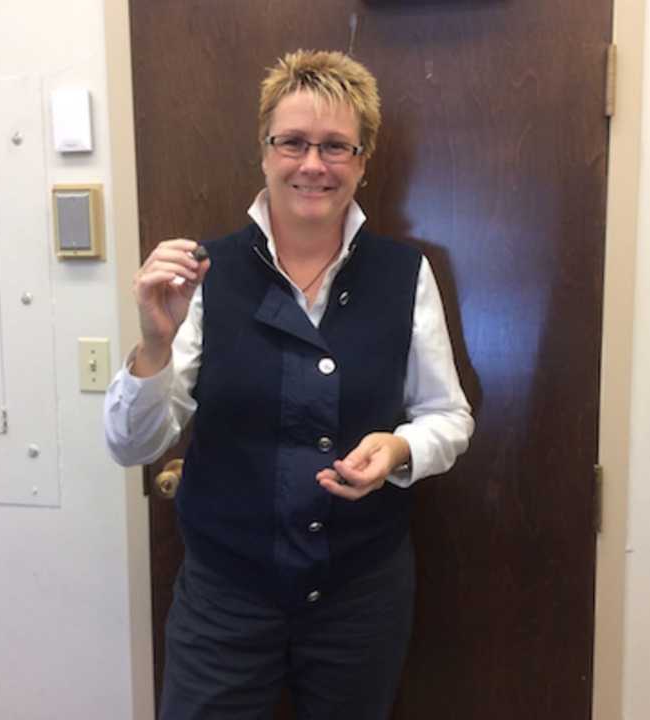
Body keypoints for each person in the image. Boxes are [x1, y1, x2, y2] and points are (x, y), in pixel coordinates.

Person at [104, 49, 474, 720]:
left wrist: (398, 451)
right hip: (225, 598)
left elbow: (449, 416)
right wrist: (154, 343)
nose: (312, 164)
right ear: (264, 151)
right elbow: (132, 447)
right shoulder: (203, 274)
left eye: (336, 146)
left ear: (363, 161)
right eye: (294, 142)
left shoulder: (404, 273)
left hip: (361, 596)